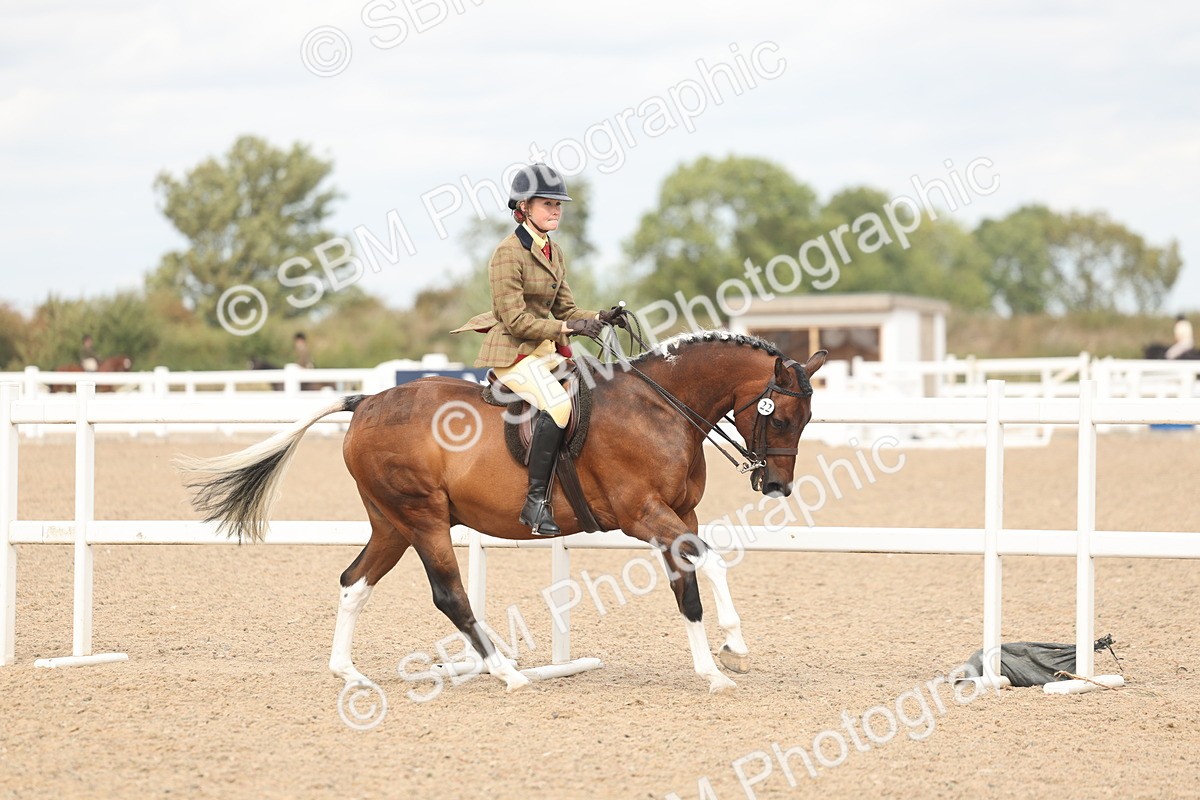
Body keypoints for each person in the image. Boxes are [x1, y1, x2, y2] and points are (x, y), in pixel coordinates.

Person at [451, 163, 622, 536]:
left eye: (559, 204)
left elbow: (567, 311)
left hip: (545, 350)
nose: (556, 210)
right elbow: (515, 321)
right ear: (524, 207)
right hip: (513, 352)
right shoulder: (506, 254)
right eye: (548, 203)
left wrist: (600, 317)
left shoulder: (553, 251)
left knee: (595, 390)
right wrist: (568, 327)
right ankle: (536, 501)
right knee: (558, 405)